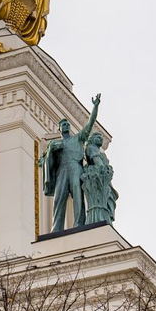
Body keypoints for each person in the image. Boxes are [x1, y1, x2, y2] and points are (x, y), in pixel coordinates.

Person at [42, 94, 102, 233]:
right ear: (59, 129)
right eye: (63, 124)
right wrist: (51, 151)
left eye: (67, 124)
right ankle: (56, 228)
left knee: (78, 195)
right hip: (62, 171)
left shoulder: (78, 138)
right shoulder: (56, 143)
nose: (66, 125)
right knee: (59, 198)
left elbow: (89, 124)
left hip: (76, 167)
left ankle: (79, 223)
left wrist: (95, 106)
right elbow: (47, 161)